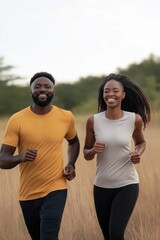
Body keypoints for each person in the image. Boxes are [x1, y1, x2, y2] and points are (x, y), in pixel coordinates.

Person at [0, 72, 80, 240]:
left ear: (53, 91)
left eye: (47, 86)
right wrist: (19, 157)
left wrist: (71, 163)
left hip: (56, 188)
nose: (42, 90)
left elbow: (73, 142)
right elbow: (3, 159)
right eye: (37, 87)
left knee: (49, 236)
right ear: (31, 92)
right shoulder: (17, 119)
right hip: (27, 194)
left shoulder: (66, 117)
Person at [83, 73, 151, 240]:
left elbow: (141, 143)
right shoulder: (93, 121)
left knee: (115, 235)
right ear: (103, 95)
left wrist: (137, 153)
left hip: (127, 184)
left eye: (115, 90)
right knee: (108, 236)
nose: (110, 94)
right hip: (101, 186)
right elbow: (86, 153)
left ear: (123, 95)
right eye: (107, 91)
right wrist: (93, 151)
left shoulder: (134, 119)